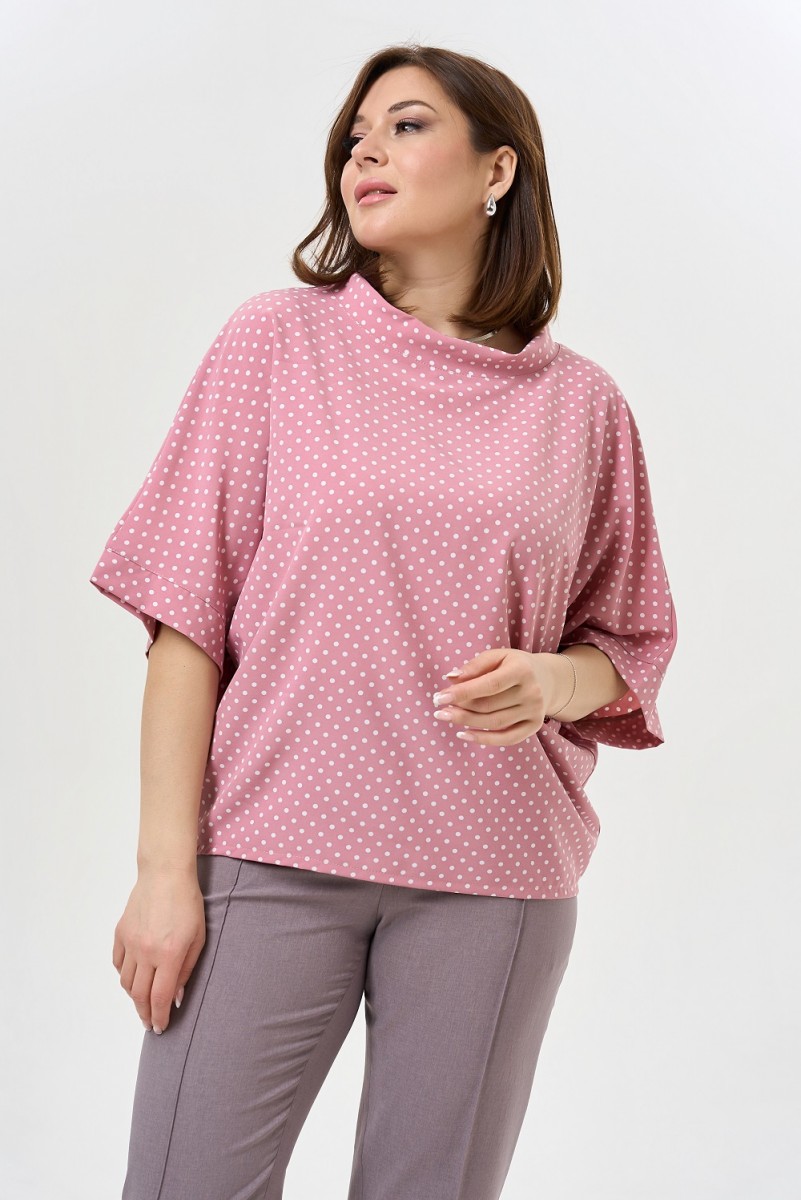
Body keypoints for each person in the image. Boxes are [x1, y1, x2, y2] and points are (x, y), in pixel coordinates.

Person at [89, 42, 678, 1200]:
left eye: (406, 125)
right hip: (268, 851)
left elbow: (626, 644)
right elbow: (186, 620)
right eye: (356, 134)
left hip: (494, 872)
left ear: (498, 169)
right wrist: (164, 873)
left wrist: (552, 683)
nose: (366, 149)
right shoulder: (274, 342)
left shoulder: (584, 408)